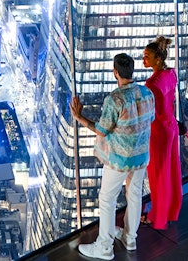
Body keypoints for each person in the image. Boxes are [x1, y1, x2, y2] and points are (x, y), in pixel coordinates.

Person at [70, 53, 155, 260]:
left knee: (107, 199)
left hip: (119, 159)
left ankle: (104, 247)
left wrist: (79, 117)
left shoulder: (115, 99)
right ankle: (130, 238)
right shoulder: (147, 93)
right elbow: (149, 119)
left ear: (115, 72)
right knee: (134, 195)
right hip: (141, 156)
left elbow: (102, 130)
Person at [142, 36, 183, 229]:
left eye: (147, 56)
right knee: (171, 171)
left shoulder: (151, 84)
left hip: (158, 130)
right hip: (171, 126)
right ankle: (171, 210)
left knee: (158, 174)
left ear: (158, 59)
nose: (144, 60)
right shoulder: (171, 74)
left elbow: (152, 113)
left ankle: (156, 216)